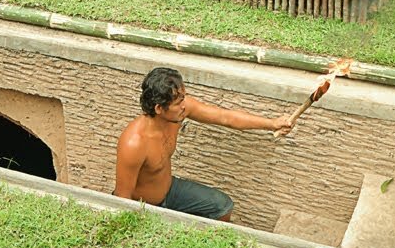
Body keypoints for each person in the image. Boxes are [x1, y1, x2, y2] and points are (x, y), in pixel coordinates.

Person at [113, 66, 292, 221]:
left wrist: (272, 124)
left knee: (222, 207)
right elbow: (123, 199)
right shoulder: (134, 143)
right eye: (178, 102)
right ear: (159, 108)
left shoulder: (178, 112)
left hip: (169, 190)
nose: (185, 105)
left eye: (184, 97)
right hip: (145, 207)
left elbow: (225, 117)